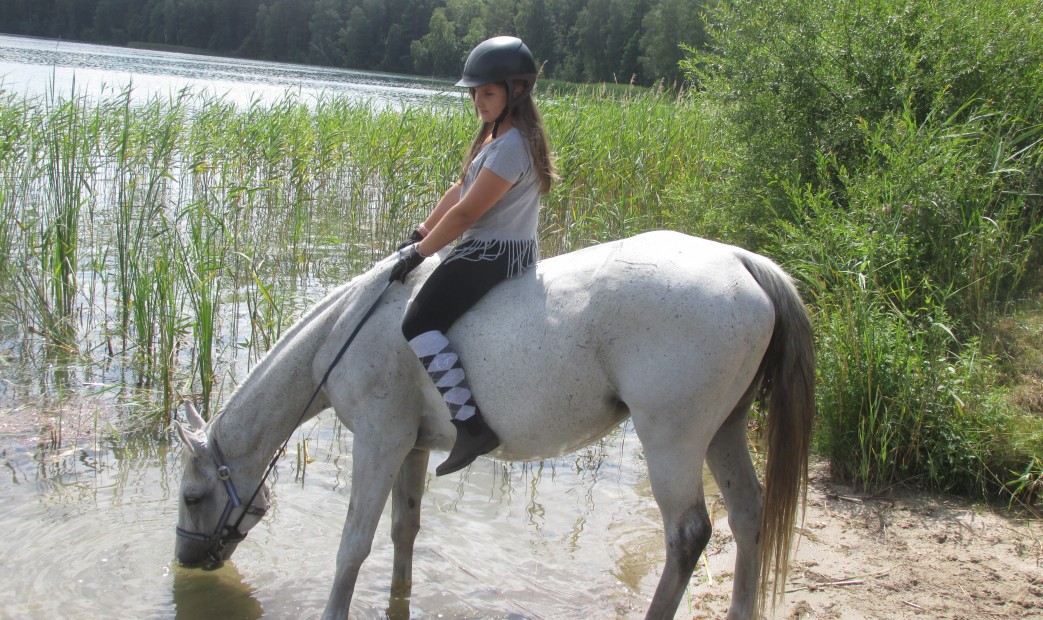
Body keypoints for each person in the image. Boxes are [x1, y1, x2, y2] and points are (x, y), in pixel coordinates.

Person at [388, 36, 557, 476]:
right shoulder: (496, 133)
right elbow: (459, 191)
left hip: (493, 253)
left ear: (515, 91)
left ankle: (471, 425)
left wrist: (420, 255)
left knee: (418, 323)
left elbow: (467, 213)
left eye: (488, 93)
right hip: (496, 247)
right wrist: (421, 233)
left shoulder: (512, 146)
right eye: (475, 94)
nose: (479, 102)